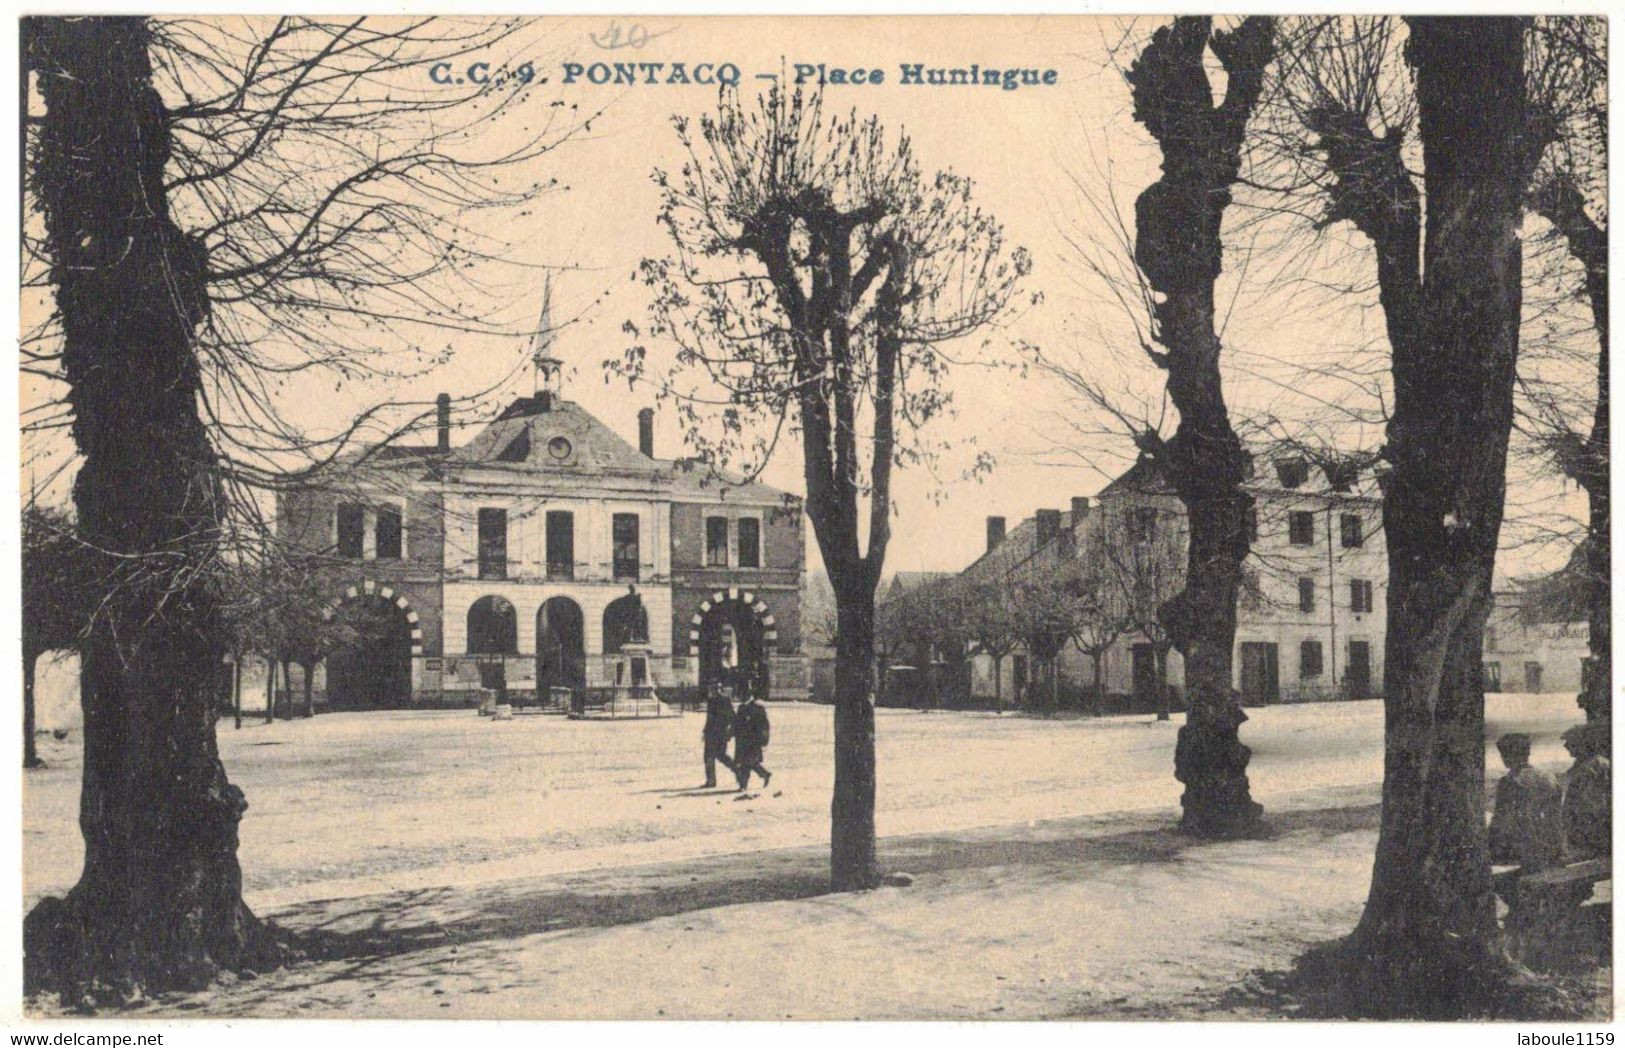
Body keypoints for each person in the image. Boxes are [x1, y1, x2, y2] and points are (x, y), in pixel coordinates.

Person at [1488, 733, 1563, 872]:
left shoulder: (1508, 783)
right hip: (1552, 845)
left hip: (1524, 849)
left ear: (1507, 755)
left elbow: (1501, 819)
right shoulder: (1548, 777)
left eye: (1504, 753)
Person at [1561, 723, 1611, 861]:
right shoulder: (1582, 766)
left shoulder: (1594, 767)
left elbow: (1594, 806)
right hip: (1580, 834)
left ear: (1583, 743)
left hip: (1589, 835)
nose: (1566, 746)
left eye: (1570, 742)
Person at [732, 688, 772, 791]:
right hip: (741, 740)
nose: (740, 698)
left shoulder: (758, 708)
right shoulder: (741, 708)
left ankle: (743, 785)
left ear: (749, 696)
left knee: (747, 762)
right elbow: (737, 724)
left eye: (742, 695)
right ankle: (765, 774)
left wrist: (764, 739)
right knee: (747, 762)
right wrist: (730, 734)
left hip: (753, 740)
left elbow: (764, 725)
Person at [700, 682, 737, 789]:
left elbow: (732, 717)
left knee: (721, 755)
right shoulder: (711, 701)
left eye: (714, 689)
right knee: (708, 757)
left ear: (719, 689)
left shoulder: (725, 701)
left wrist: (729, 732)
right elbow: (709, 719)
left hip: (720, 734)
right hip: (710, 734)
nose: (712, 691)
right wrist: (705, 731)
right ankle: (711, 780)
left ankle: (737, 770)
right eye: (711, 689)